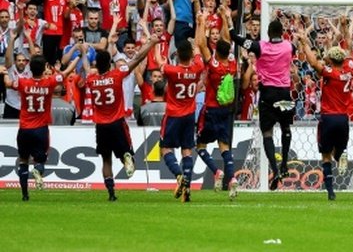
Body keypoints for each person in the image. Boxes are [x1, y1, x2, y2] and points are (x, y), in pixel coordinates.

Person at [84, 40, 155, 201]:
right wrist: (151, 44)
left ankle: (111, 193)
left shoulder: (91, 80)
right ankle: (126, 157)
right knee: (125, 152)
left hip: (101, 126)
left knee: (106, 160)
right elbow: (136, 60)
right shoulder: (116, 75)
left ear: (97, 65)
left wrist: (83, 53)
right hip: (117, 122)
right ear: (110, 64)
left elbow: (87, 68)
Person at [235, 17, 296, 190]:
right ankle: (284, 163)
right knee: (286, 128)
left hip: (268, 94)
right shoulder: (289, 46)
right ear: (282, 33)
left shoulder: (261, 46)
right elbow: (296, 48)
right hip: (285, 92)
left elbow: (241, 41)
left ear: (268, 33)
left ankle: (275, 169)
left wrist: (231, 29)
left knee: (267, 133)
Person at [1, 55, 72, 201]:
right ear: (44, 68)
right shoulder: (50, 81)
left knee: (23, 160)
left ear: (29, 68)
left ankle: (25, 194)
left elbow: (8, 83)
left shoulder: (23, 82)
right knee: (40, 160)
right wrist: (54, 69)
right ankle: (38, 171)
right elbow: (65, 74)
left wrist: (5, 72)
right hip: (41, 129)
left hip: (25, 128)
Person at [298, 32, 353, 201]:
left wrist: (304, 42)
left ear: (330, 60)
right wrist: (344, 28)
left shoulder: (329, 73)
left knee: (326, 156)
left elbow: (313, 62)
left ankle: (330, 192)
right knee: (337, 152)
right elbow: (349, 49)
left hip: (328, 118)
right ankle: (341, 154)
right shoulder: (348, 71)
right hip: (344, 118)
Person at [194, 10, 238, 199]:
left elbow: (201, 44)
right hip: (226, 110)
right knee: (224, 146)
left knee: (201, 146)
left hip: (211, 109)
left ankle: (216, 172)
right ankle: (233, 178)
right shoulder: (232, 63)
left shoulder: (213, 64)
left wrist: (202, 21)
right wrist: (226, 18)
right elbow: (227, 41)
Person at [160, 39, 206, 202]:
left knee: (165, 148)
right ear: (191, 55)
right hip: (189, 114)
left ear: (178, 54)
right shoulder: (198, 67)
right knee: (187, 150)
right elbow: (200, 54)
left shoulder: (172, 70)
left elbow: (161, 64)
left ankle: (179, 176)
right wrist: (196, 45)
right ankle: (187, 189)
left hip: (173, 114)